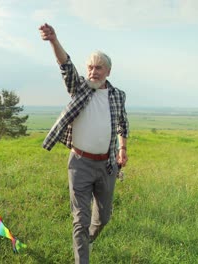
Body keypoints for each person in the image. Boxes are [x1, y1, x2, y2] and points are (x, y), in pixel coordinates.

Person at [39, 23, 129, 264]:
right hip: (79, 164)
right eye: (90, 67)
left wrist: (123, 149)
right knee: (80, 218)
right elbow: (65, 66)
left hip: (107, 166)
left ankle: (87, 239)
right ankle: (82, 257)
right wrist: (53, 40)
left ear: (108, 71)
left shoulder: (117, 95)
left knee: (103, 217)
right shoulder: (79, 88)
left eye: (99, 68)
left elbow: (122, 123)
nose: (93, 72)